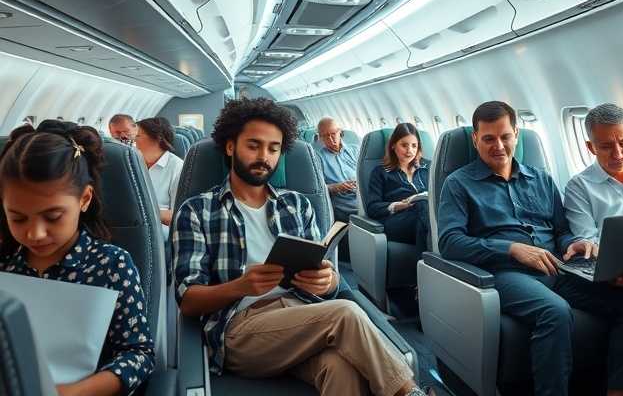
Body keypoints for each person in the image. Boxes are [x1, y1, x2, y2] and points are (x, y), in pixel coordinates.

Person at [171, 98, 433, 396]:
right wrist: (241, 286)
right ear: (230, 147)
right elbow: (188, 300)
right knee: (345, 314)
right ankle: (410, 392)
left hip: (304, 316)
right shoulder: (197, 211)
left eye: (273, 149)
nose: (264, 157)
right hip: (239, 328)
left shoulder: (297, 205)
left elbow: (328, 275)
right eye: (253, 145)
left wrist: (328, 280)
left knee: (340, 368)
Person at [437, 101, 623, 396]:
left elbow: (561, 231)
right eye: (488, 138)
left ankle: (619, 390)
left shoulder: (540, 179)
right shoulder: (458, 184)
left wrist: (573, 245)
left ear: (516, 134)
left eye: (505, 136)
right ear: (475, 139)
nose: (498, 145)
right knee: (555, 311)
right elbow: (449, 242)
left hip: (557, 268)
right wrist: (511, 248)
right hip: (504, 273)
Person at [0, 120, 155, 396]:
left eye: (53, 217)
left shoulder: (111, 265)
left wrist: (73, 392)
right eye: (18, 218)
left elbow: (139, 356)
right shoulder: (5, 263)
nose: (35, 234)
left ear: (84, 199)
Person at [563, 103, 623, 246]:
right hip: (611, 263)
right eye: (606, 147)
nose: (618, 155)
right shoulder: (578, 187)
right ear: (591, 148)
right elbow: (589, 242)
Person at [365, 123, 431, 254]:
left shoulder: (427, 169)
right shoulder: (381, 172)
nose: (410, 150)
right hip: (395, 221)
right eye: (404, 145)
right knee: (423, 207)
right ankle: (428, 263)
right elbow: (372, 207)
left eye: (414, 146)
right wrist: (398, 205)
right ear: (393, 145)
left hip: (422, 218)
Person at [134, 117, 184, 227]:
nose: (133, 140)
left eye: (138, 136)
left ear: (157, 138)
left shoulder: (177, 167)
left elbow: (180, 216)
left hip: (161, 231)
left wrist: (143, 211)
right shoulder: (133, 163)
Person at [314, 117, 359, 223]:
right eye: (325, 136)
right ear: (320, 138)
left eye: (333, 133)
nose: (330, 139)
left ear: (340, 132)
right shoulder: (317, 158)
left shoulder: (355, 150)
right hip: (345, 204)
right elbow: (316, 189)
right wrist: (335, 187)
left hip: (364, 197)